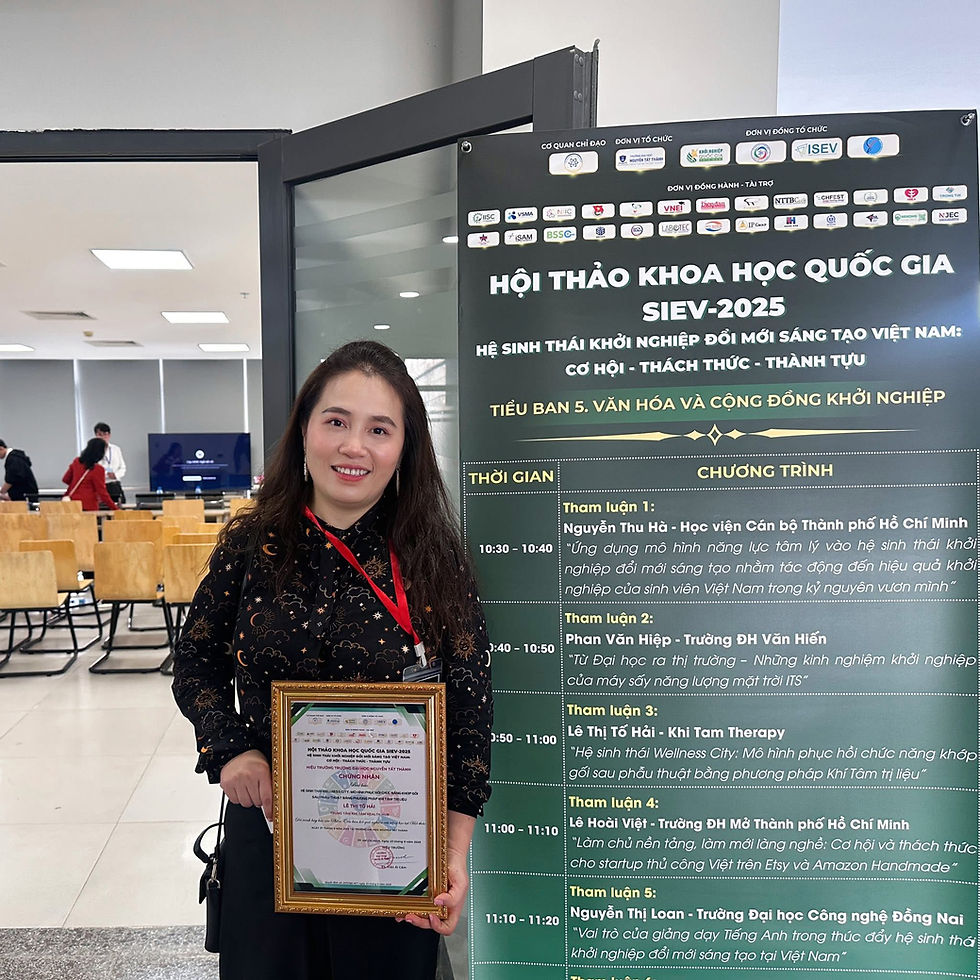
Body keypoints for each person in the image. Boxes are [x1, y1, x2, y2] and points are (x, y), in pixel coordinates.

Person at [172, 341, 492, 980]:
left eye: (380, 429)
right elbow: (196, 661)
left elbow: (469, 715)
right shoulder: (249, 542)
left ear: (404, 448)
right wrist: (230, 747)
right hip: (269, 832)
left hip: (394, 847)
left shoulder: (433, 559)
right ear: (306, 431)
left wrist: (453, 855)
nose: (355, 447)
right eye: (336, 422)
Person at [62, 438, 119, 511]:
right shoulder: (98, 469)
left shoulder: (76, 462)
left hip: (72, 504)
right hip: (88, 506)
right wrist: (115, 509)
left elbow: (65, 479)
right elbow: (102, 492)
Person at [93, 422, 127, 504]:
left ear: (109, 435)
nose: (103, 437)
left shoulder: (116, 449)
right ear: (96, 435)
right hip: (99, 485)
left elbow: (122, 467)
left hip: (114, 485)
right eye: (100, 434)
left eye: (105, 434)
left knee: (118, 510)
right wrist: (105, 474)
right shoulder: (91, 450)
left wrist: (115, 475)